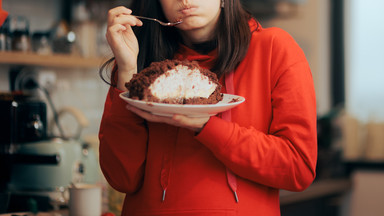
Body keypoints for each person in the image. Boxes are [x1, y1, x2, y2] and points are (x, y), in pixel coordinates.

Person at [98, 0, 317, 215]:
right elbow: (121, 178)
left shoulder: (274, 48)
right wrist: (127, 70)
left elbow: (298, 169)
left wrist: (207, 126)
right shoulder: (139, 58)